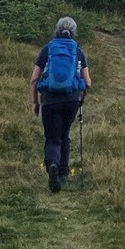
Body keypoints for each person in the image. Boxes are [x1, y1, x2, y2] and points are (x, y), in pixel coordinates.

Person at [31, 16, 92, 192]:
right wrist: (81, 99)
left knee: (52, 136)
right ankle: (64, 174)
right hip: (72, 99)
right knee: (64, 134)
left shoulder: (47, 49)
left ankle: (53, 164)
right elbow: (87, 82)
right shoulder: (78, 52)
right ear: (74, 32)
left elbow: (35, 78)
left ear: (56, 30)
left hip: (50, 99)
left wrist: (35, 102)